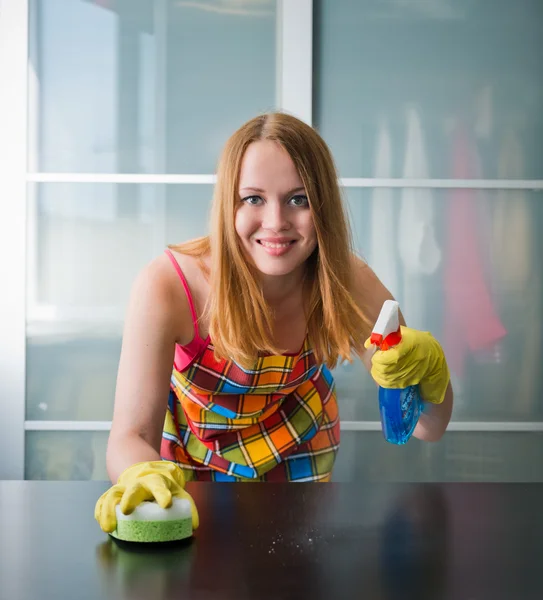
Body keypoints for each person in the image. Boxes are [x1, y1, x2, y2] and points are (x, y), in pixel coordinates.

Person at [95, 112, 453, 534]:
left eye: (299, 199)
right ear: (228, 202)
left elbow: (428, 427)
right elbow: (128, 437)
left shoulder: (348, 282)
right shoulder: (168, 285)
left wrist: (431, 370)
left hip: (302, 454)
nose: (276, 221)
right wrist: (140, 475)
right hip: (187, 465)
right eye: (253, 198)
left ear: (323, 206)